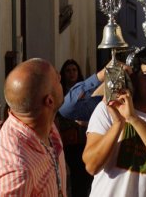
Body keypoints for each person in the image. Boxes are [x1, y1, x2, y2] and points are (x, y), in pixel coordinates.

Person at [84, 47, 146, 196]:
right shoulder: (107, 109)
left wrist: (133, 118)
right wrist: (118, 123)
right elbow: (92, 166)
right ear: (135, 78)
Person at [0, 58, 69, 197]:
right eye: (57, 79)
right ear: (49, 101)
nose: (60, 77)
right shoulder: (17, 173)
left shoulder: (45, 125)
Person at [56, 60, 91, 196]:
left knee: (84, 176)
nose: (71, 73)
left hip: (84, 139)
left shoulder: (85, 90)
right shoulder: (60, 92)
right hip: (67, 140)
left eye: (74, 70)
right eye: (68, 70)